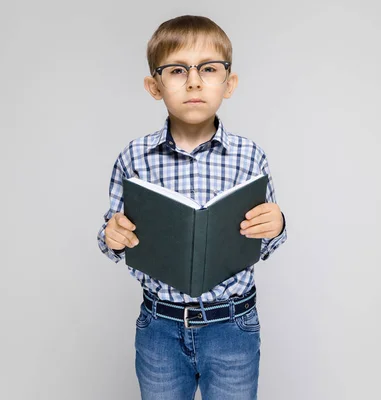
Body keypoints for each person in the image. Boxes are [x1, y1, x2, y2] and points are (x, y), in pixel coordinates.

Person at [97, 15, 287, 400]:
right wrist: (112, 235)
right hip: (160, 326)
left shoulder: (250, 157)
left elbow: (265, 243)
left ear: (228, 84)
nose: (194, 81)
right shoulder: (135, 157)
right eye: (177, 70)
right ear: (154, 86)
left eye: (209, 69)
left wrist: (277, 224)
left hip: (232, 325)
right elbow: (112, 237)